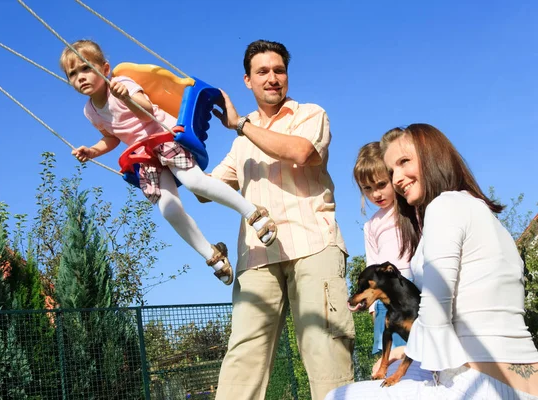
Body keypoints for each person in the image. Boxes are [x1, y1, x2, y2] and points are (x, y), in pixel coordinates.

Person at [325, 123, 538, 399]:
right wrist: (403, 351)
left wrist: (404, 355)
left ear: (432, 156)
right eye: (391, 171)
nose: (397, 178)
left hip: (478, 384)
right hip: (522, 383)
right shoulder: (478, 208)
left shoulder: (444, 207)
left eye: (404, 162)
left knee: (338, 396)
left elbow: (436, 312)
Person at [204, 39, 355, 400]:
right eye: (263, 72)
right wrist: (171, 160)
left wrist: (239, 123)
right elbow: (206, 189)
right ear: (247, 80)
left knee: (325, 351)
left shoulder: (309, 115)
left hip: (313, 247)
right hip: (256, 258)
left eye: (279, 70)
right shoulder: (241, 142)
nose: (272, 78)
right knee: (243, 356)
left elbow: (302, 152)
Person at [59, 40, 277, 285]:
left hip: (164, 137)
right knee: (168, 209)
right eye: (72, 74)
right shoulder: (90, 111)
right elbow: (111, 137)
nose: (81, 77)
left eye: (86, 68)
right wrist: (93, 151)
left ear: (105, 68)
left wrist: (127, 97)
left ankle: (253, 213)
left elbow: (147, 110)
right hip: (144, 155)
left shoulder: (121, 85)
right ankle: (212, 254)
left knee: (194, 182)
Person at [353, 142, 411, 356]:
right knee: (392, 355)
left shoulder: (410, 210)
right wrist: (372, 306)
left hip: (411, 288)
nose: (375, 194)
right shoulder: (371, 225)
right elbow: (372, 265)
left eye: (381, 184)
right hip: (385, 300)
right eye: (367, 189)